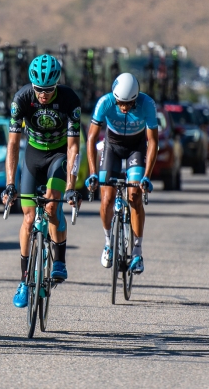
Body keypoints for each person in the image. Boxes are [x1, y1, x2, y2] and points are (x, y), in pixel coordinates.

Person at [1, 54, 82, 309]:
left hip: (58, 155)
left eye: (48, 90)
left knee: (52, 206)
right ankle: (25, 280)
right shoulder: (22, 99)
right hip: (33, 155)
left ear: (56, 85)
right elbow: (13, 144)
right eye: (39, 90)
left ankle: (59, 260)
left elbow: (73, 147)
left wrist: (71, 186)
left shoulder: (70, 100)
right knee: (27, 218)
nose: (43, 95)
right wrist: (10, 183)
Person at [85, 73, 158, 276]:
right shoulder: (105, 103)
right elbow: (91, 139)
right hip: (112, 147)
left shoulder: (147, 104)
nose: (124, 107)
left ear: (136, 98)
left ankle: (137, 251)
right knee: (107, 198)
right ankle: (108, 242)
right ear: (114, 97)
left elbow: (153, 142)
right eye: (121, 103)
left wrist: (147, 177)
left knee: (134, 196)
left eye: (129, 103)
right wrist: (93, 173)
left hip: (136, 148)